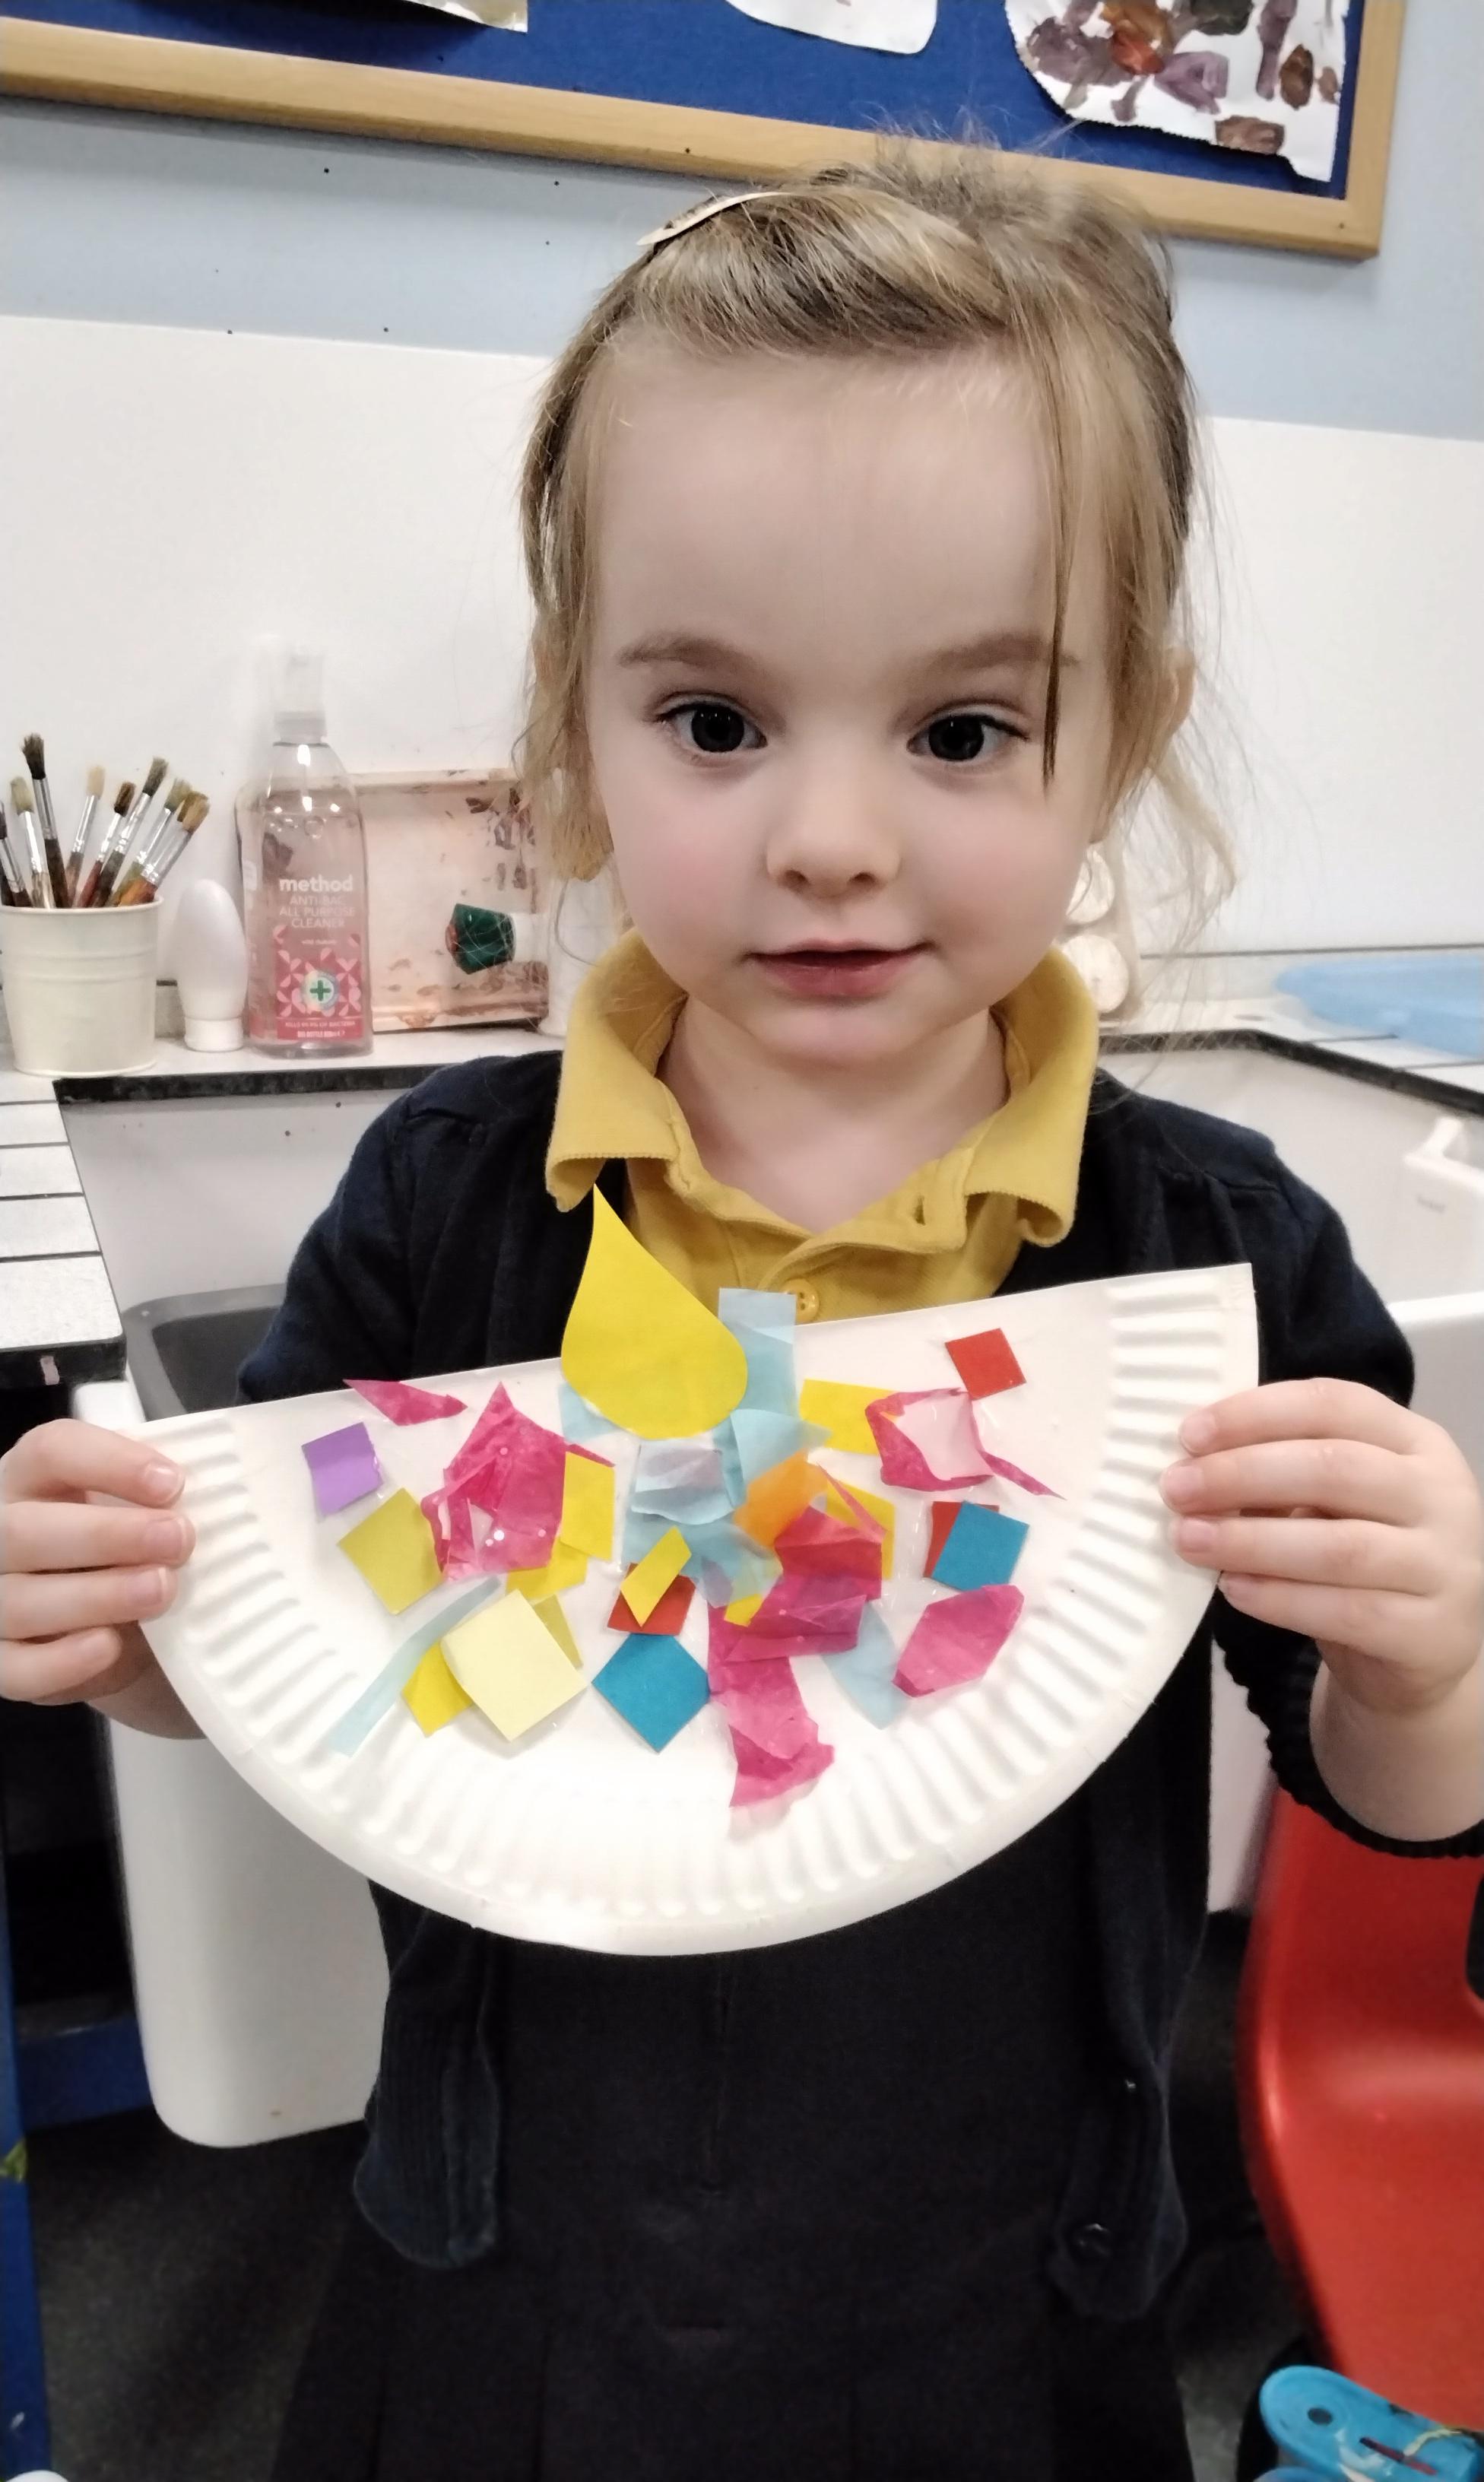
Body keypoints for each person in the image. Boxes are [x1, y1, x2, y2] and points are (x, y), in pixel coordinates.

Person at [4, 154, 1482, 2482]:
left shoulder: (1210, 1253)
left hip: (1005, 2305)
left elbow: (1380, 1789)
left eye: (963, 731)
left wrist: (1432, 1665)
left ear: (1123, 738)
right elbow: (288, 1649)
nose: (829, 838)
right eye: (714, 719)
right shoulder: (446, 1206)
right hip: (509, 2285)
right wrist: (128, 1628)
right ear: (575, 727)